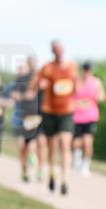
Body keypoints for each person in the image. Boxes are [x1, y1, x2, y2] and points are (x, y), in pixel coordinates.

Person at [30, 40, 78, 195]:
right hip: (50, 111)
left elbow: (76, 87)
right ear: (52, 51)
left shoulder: (72, 67)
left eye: (61, 50)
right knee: (52, 146)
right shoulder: (47, 68)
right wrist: (40, 85)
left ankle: (65, 181)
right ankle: (52, 173)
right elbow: (34, 85)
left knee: (65, 144)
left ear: (63, 50)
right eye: (56, 50)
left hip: (67, 111)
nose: (59, 52)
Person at [71, 62, 106, 177]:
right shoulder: (76, 82)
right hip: (77, 116)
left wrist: (97, 96)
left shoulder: (96, 82)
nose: (87, 72)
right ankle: (77, 156)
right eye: (85, 69)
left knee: (88, 141)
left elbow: (103, 96)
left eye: (89, 70)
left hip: (90, 116)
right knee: (76, 142)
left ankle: (85, 166)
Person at [11, 60, 43, 182]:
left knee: (37, 142)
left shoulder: (42, 80)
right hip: (23, 116)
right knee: (22, 145)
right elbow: (14, 95)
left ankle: (38, 167)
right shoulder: (22, 80)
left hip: (37, 116)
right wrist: (25, 96)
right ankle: (24, 170)